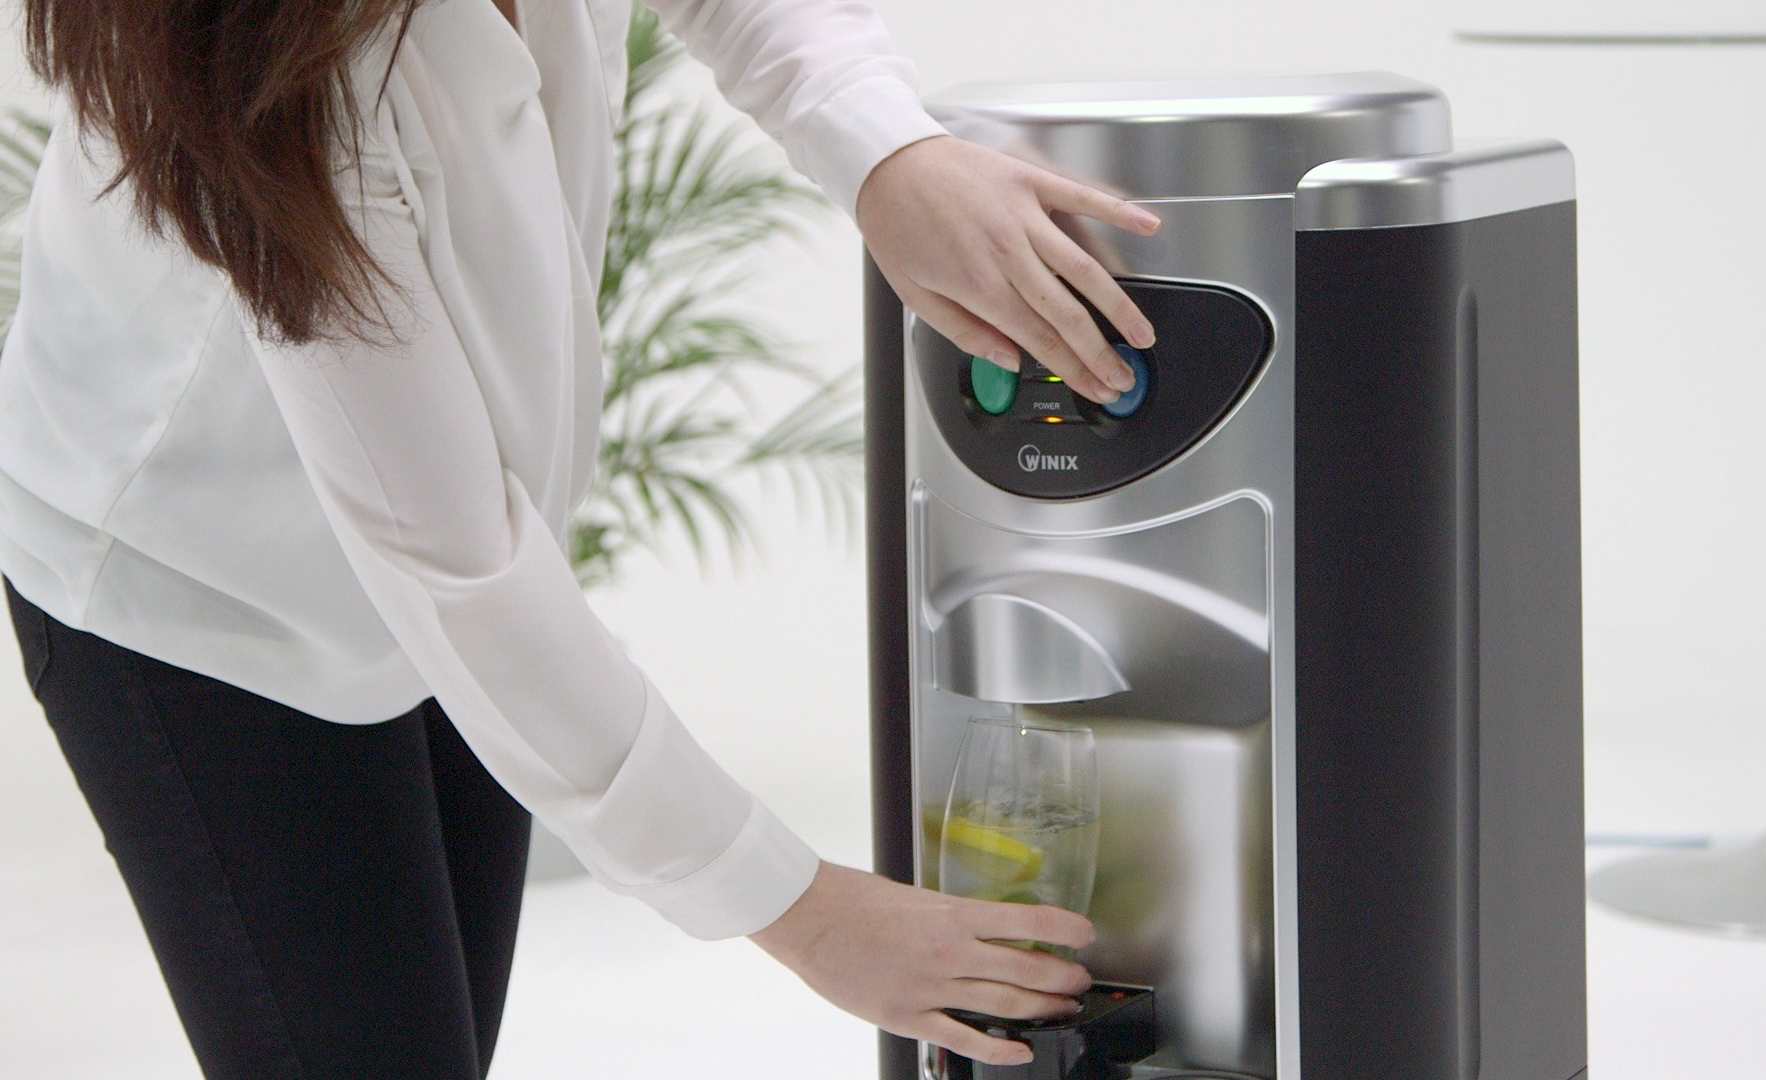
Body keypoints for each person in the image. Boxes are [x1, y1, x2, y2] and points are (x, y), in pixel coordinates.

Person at [0, 0, 1162, 1076]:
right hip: (198, 590)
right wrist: (808, 916)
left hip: (449, 568)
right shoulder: (285, 72)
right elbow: (460, 569)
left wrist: (882, 150)